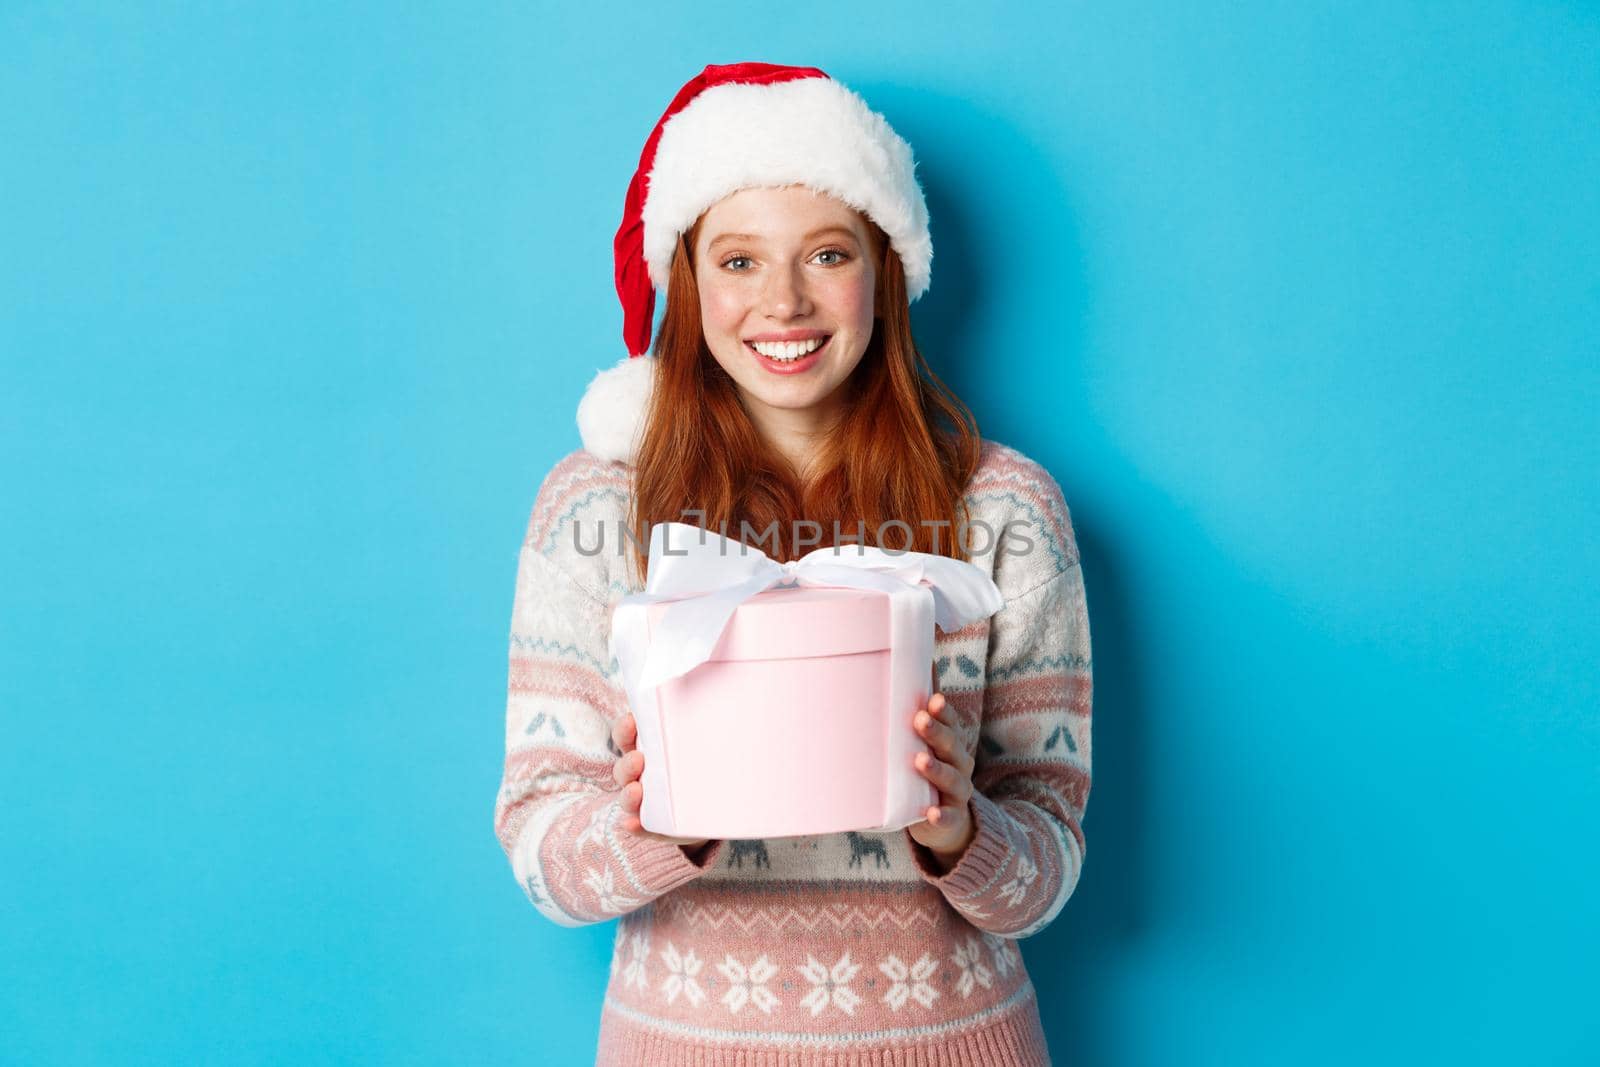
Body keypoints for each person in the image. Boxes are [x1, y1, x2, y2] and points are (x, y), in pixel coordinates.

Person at [493, 62, 1093, 1067]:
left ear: (884, 269)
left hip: (948, 1041)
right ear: (686, 282)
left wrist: (960, 827)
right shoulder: (596, 511)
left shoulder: (1005, 511)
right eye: (737, 261)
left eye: (825, 252)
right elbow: (539, 855)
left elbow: (1049, 870)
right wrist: (655, 822)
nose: (782, 301)